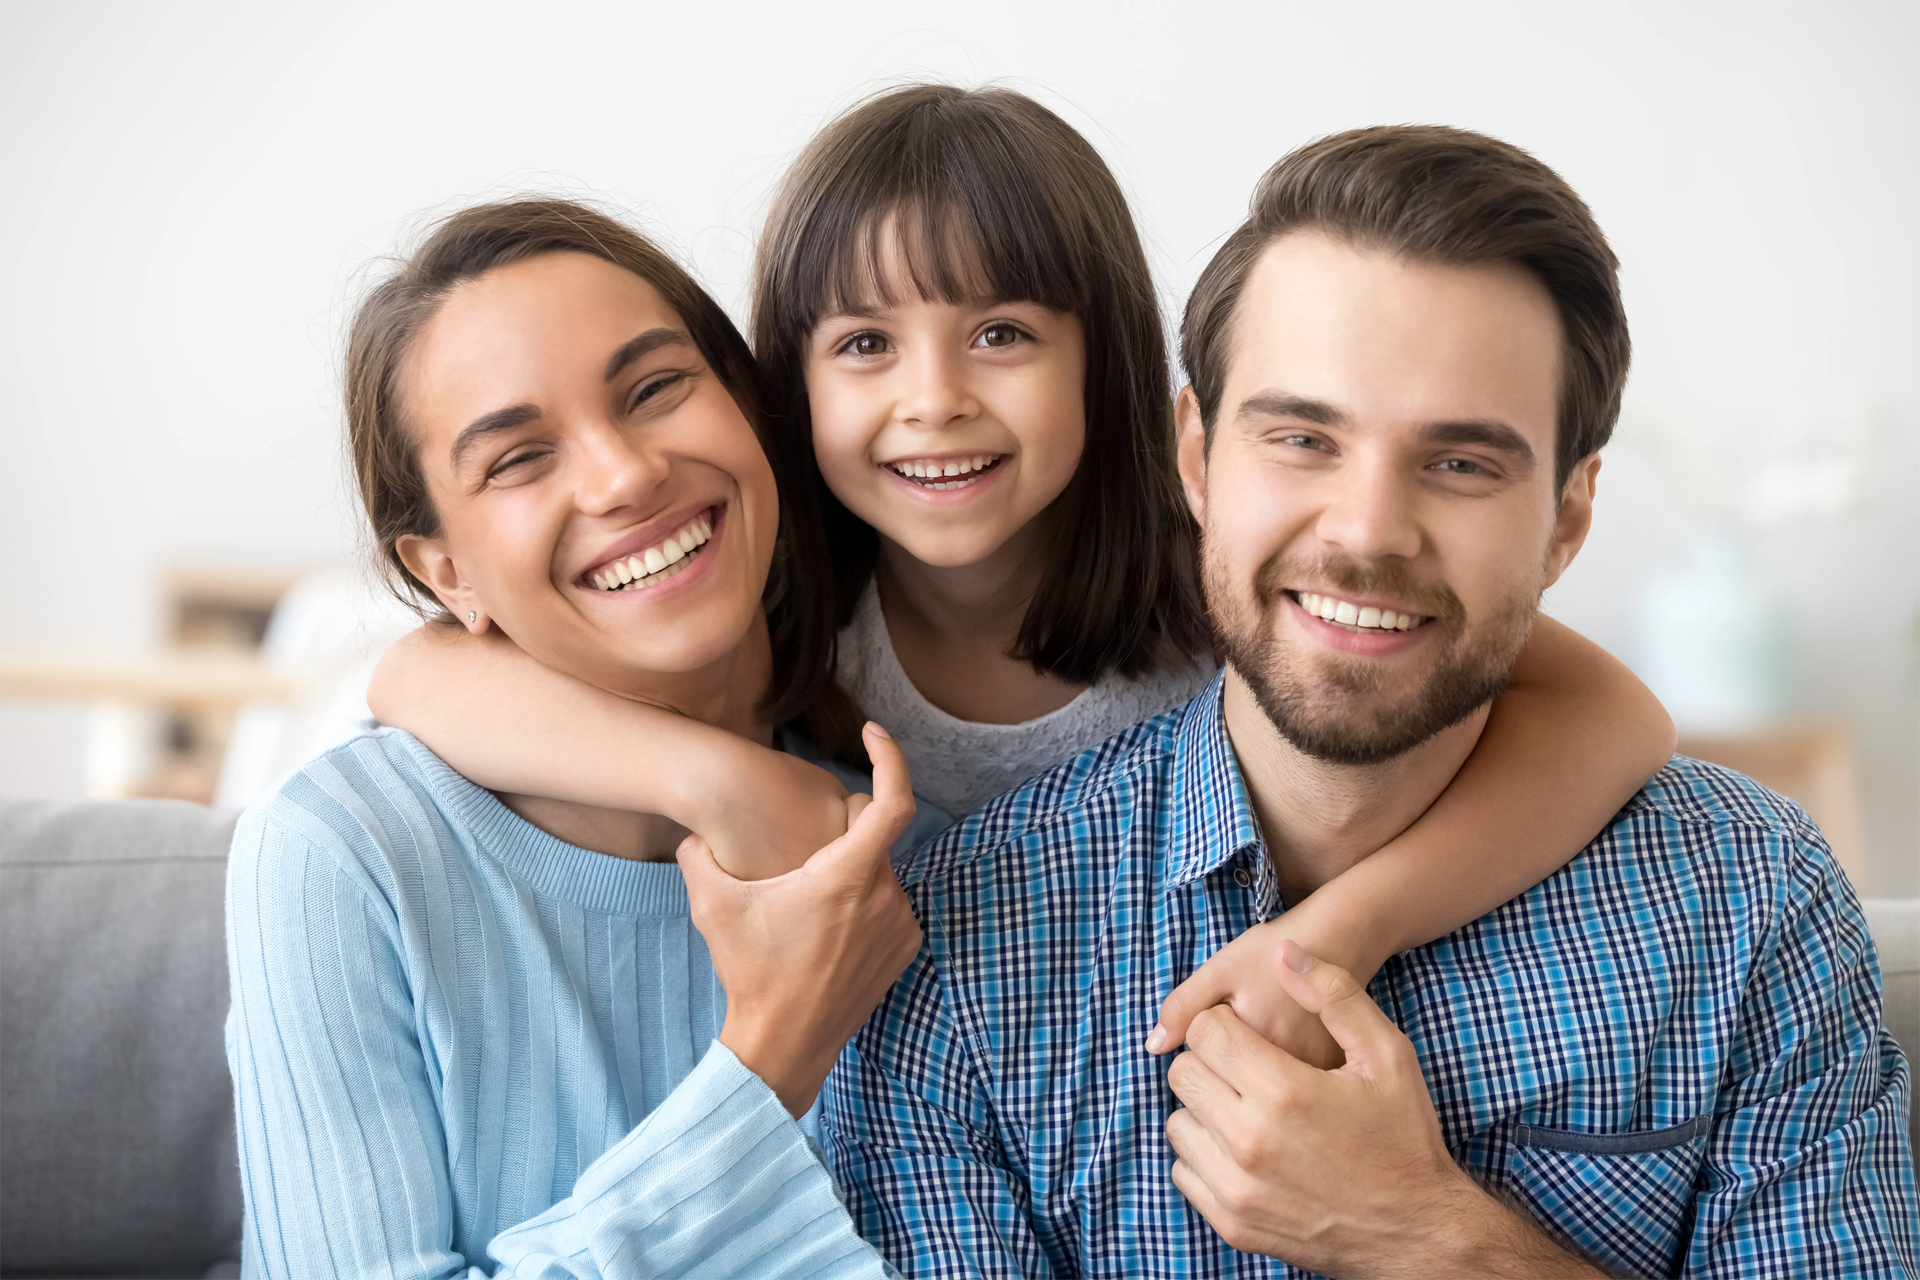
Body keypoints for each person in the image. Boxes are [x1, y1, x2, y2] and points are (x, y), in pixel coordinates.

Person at [369, 86, 1676, 1066]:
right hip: (956, 1091)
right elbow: (415, 669)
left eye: (1001, 334)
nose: (933, 402)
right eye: (867, 343)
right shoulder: (799, 619)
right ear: (790, 382)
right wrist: (720, 775)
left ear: (1107, 363)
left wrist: (1343, 931)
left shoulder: (1225, 577)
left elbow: (1612, 715)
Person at [822, 125, 1920, 1277]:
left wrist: (1430, 1236)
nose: (1364, 533)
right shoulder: (957, 950)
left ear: (1568, 519)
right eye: (1301, 438)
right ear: (1195, 458)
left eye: (1460, 463)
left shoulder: (1749, 906)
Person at [224, 200, 931, 1277]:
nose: (623, 475)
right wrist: (771, 1055)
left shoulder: (898, 838)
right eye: (516, 458)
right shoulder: (342, 855)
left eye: (655, 389)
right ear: (444, 572)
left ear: (748, 411)